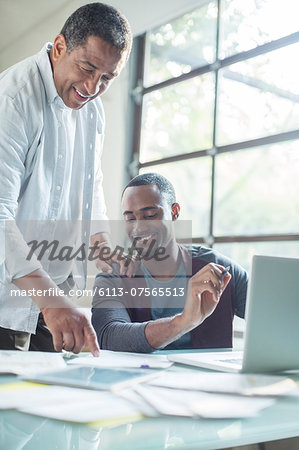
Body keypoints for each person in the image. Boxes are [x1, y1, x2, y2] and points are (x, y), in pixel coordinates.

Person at [0, 3, 132, 354]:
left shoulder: (93, 111)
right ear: (60, 48)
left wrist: (101, 239)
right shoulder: (13, 99)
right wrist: (51, 301)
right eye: (87, 68)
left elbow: (91, 182)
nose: (92, 86)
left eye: (107, 77)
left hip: (55, 298)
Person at [92, 173, 248, 352]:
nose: (139, 228)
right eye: (130, 219)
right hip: (140, 378)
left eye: (150, 215)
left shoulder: (220, 270)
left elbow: (272, 317)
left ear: (174, 212)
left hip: (209, 379)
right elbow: (109, 337)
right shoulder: (113, 277)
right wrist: (183, 322)